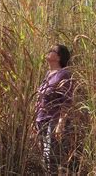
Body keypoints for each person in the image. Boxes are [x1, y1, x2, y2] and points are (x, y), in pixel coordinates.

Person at [35, 44, 73, 175]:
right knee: (44, 158)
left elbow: (67, 101)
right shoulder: (48, 74)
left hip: (54, 119)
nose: (49, 51)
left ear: (59, 57)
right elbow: (40, 100)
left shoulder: (64, 74)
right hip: (41, 119)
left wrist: (61, 123)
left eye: (52, 50)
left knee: (51, 157)